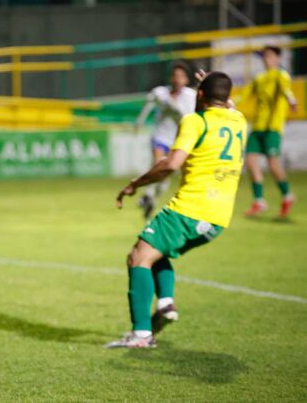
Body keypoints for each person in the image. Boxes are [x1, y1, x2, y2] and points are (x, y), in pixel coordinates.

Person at [107, 71, 246, 348]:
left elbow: (171, 164)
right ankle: (166, 304)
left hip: (189, 209)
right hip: (218, 218)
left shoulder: (195, 121)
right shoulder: (238, 119)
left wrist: (136, 183)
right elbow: (228, 104)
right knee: (157, 252)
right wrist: (212, 86)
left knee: (137, 257)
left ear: (201, 95)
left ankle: (141, 335)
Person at [240, 46, 298, 218]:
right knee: (250, 162)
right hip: (258, 127)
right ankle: (259, 201)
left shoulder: (281, 75)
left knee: (273, 164)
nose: (267, 59)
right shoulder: (259, 78)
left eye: (271, 56)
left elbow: (286, 91)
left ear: (278, 58)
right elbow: (244, 95)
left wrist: (292, 101)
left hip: (273, 127)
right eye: (265, 56)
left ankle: (287, 195)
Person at [135, 62, 197, 219]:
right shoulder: (160, 93)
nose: (177, 79)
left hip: (178, 140)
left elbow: (188, 117)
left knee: (166, 174)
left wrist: (174, 107)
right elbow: (148, 104)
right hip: (160, 136)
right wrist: (139, 122)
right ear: (171, 78)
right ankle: (147, 194)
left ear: (186, 80)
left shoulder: (191, 96)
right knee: (158, 165)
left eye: (181, 76)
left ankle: (152, 200)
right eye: (175, 76)